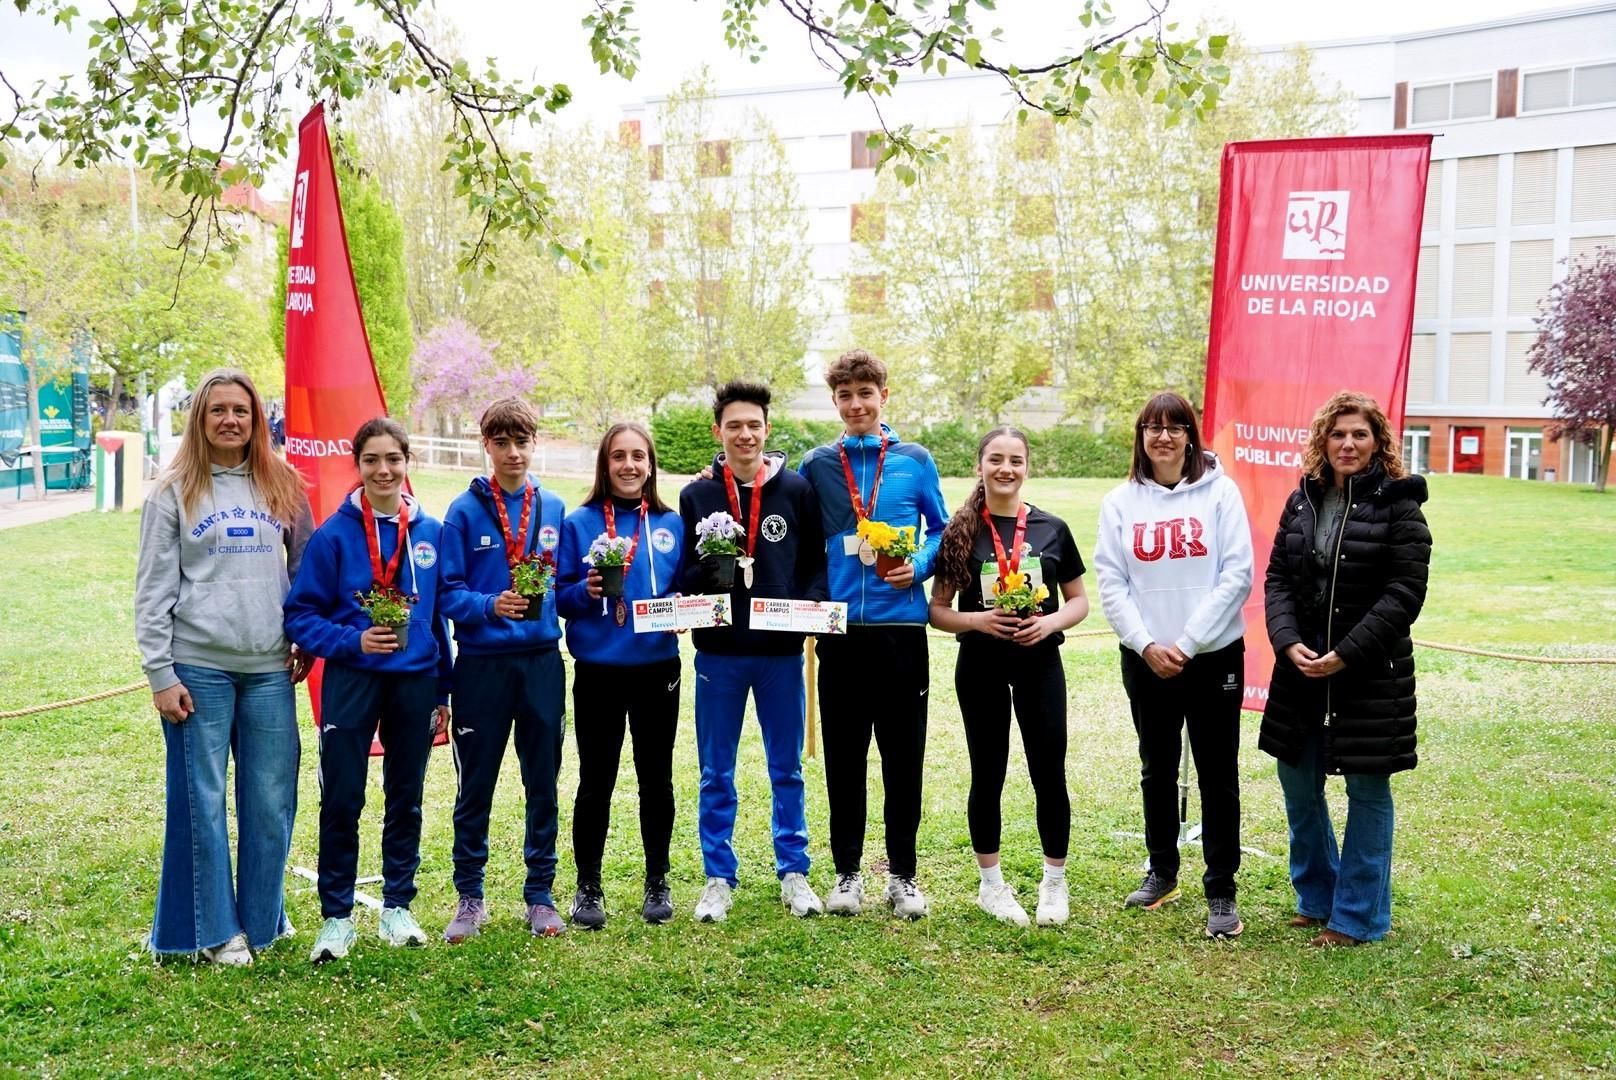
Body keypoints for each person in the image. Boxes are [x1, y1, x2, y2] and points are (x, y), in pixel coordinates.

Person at [135, 368, 313, 965]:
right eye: (218, 411)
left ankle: (263, 921)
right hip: (198, 669)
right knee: (202, 802)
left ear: (257, 419)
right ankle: (215, 932)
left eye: (241, 410)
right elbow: (152, 589)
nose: (230, 420)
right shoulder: (172, 491)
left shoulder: (284, 485)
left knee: (270, 800)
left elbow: (307, 576)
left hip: (268, 670)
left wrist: (306, 639)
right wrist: (161, 674)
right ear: (200, 419)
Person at [1262, 390, 1431, 947]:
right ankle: (1316, 897)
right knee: (1298, 781)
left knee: (1366, 787)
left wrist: (1346, 653)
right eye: (1338, 434)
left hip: (1368, 672)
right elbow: (1278, 580)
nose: (1348, 444)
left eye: (1360, 434)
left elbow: (1404, 592)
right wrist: (1287, 643)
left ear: (1378, 441)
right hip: (1302, 668)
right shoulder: (1302, 501)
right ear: (1322, 442)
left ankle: (1357, 918)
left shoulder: (1400, 506)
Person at [284, 417, 453, 963]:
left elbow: (440, 619)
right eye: (372, 460)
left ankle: (397, 906)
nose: (383, 470)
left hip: (416, 683)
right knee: (343, 796)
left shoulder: (431, 533)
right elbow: (300, 616)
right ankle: (336, 917)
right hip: (353, 680)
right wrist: (355, 640)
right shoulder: (334, 535)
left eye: (393, 460)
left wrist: (444, 692)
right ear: (357, 466)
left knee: (406, 797)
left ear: (407, 464)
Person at [1092, 392, 1253, 939]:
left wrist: (1185, 643)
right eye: (1152, 428)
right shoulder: (1120, 502)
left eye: (1174, 427)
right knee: (1156, 768)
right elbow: (1111, 581)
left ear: (1191, 435)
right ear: (1140, 437)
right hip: (1146, 659)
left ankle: (1221, 889)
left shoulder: (1222, 493)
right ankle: (1162, 870)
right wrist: (1145, 644)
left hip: (1211, 657)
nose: (1163, 437)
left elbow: (1237, 575)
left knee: (1217, 773)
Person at [798, 348, 948, 919]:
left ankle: (904, 876)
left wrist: (924, 565)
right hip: (839, 634)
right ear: (835, 401)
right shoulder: (818, 464)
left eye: (865, 393)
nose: (856, 404)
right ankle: (847, 873)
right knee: (843, 756)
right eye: (845, 396)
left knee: (902, 757)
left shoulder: (914, 460)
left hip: (901, 633)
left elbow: (940, 528)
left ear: (884, 395)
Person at [678, 380, 827, 922]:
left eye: (754, 425)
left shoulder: (795, 490)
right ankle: (718, 877)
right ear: (719, 431)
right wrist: (706, 575)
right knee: (716, 770)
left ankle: (794, 872)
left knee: (785, 767)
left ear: (767, 429)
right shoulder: (697, 495)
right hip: (718, 652)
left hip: (780, 653)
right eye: (734, 425)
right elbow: (687, 573)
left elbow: (814, 562)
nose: (745, 434)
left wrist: (806, 606)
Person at [928, 427, 1089, 927]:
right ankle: (991, 886)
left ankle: (1054, 882)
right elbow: (937, 611)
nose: (1006, 469)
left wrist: (1049, 622)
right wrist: (977, 620)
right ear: (980, 465)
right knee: (988, 773)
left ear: (1027, 467)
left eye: (1015, 460)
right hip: (981, 666)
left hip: (1041, 663)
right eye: (996, 459)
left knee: (1049, 772)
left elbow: (1080, 601)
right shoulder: (960, 530)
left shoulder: (1052, 528)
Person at [436, 398, 569, 940]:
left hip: (541, 664)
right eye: (502, 443)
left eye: (522, 442)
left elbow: (569, 580)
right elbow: (447, 592)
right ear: (485, 445)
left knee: (544, 782)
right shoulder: (463, 513)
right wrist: (490, 605)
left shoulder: (554, 507)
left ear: (534, 444)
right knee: (476, 786)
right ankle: (470, 896)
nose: (513, 453)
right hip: (482, 668)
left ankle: (540, 894)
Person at [555, 422, 684, 929]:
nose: (629, 466)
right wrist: (583, 592)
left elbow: (691, 589)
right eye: (618, 457)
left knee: (657, 780)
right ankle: (588, 886)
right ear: (604, 465)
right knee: (596, 779)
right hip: (599, 672)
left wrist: (682, 606)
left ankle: (658, 879)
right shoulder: (580, 522)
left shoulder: (671, 523)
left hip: (657, 670)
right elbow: (560, 597)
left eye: (638, 456)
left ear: (650, 464)